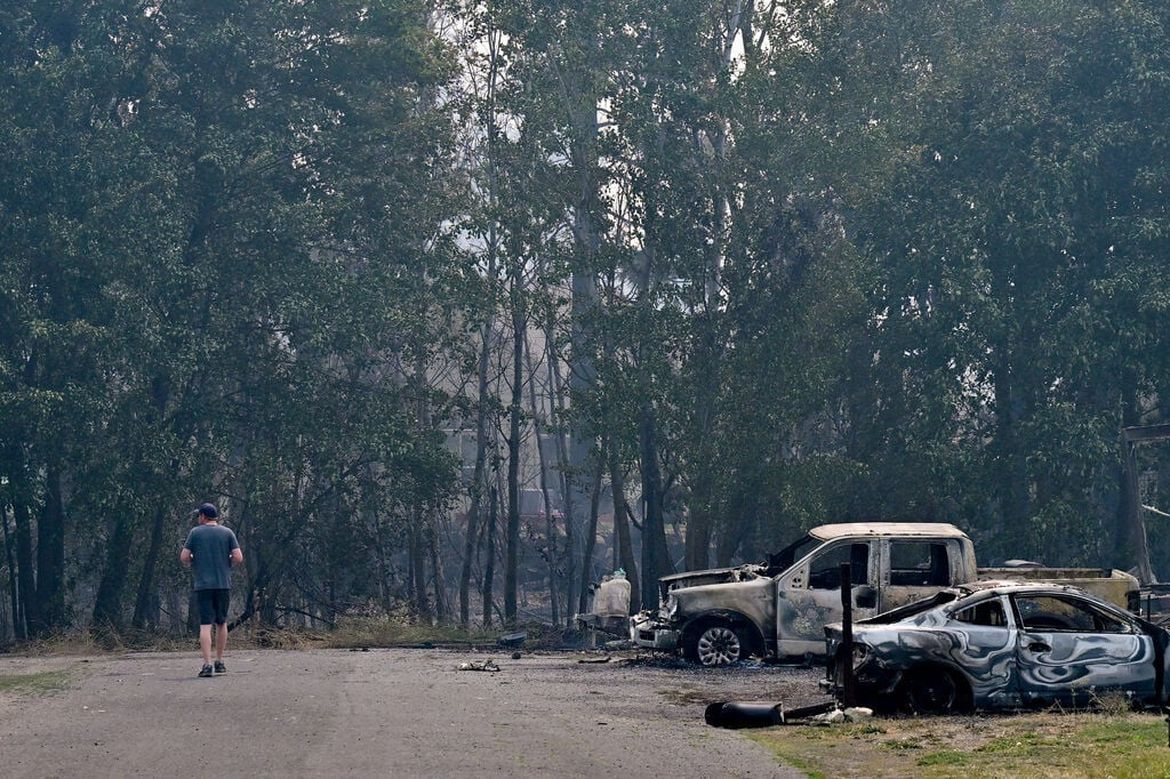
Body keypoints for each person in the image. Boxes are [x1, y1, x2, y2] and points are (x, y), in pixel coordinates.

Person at [180, 502, 243, 678]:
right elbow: (238, 557)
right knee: (222, 623)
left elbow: (184, 557)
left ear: (202, 516)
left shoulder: (195, 533)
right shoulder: (227, 532)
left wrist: (195, 558)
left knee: (205, 625)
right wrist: (227, 560)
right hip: (223, 584)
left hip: (203, 585)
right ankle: (220, 661)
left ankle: (207, 665)